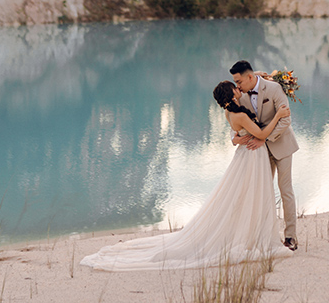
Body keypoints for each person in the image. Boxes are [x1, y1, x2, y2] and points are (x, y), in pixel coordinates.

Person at [79, 81, 291, 271]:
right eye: (236, 87)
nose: (239, 89)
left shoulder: (229, 113)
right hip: (253, 156)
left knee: (242, 197)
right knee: (251, 196)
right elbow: (262, 135)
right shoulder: (242, 115)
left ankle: (248, 232)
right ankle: (251, 235)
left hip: (245, 156)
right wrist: (279, 116)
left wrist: (239, 137)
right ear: (233, 94)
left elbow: (238, 134)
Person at [229, 59, 300, 251]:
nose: (238, 86)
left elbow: (286, 120)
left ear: (250, 77)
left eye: (239, 82)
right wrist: (234, 139)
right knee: (261, 193)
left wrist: (264, 139)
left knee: (286, 191)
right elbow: (234, 123)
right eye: (235, 83)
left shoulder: (274, 88)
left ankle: (290, 236)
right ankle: (264, 236)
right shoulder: (240, 96)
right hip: (258, 153)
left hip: (282, 146)